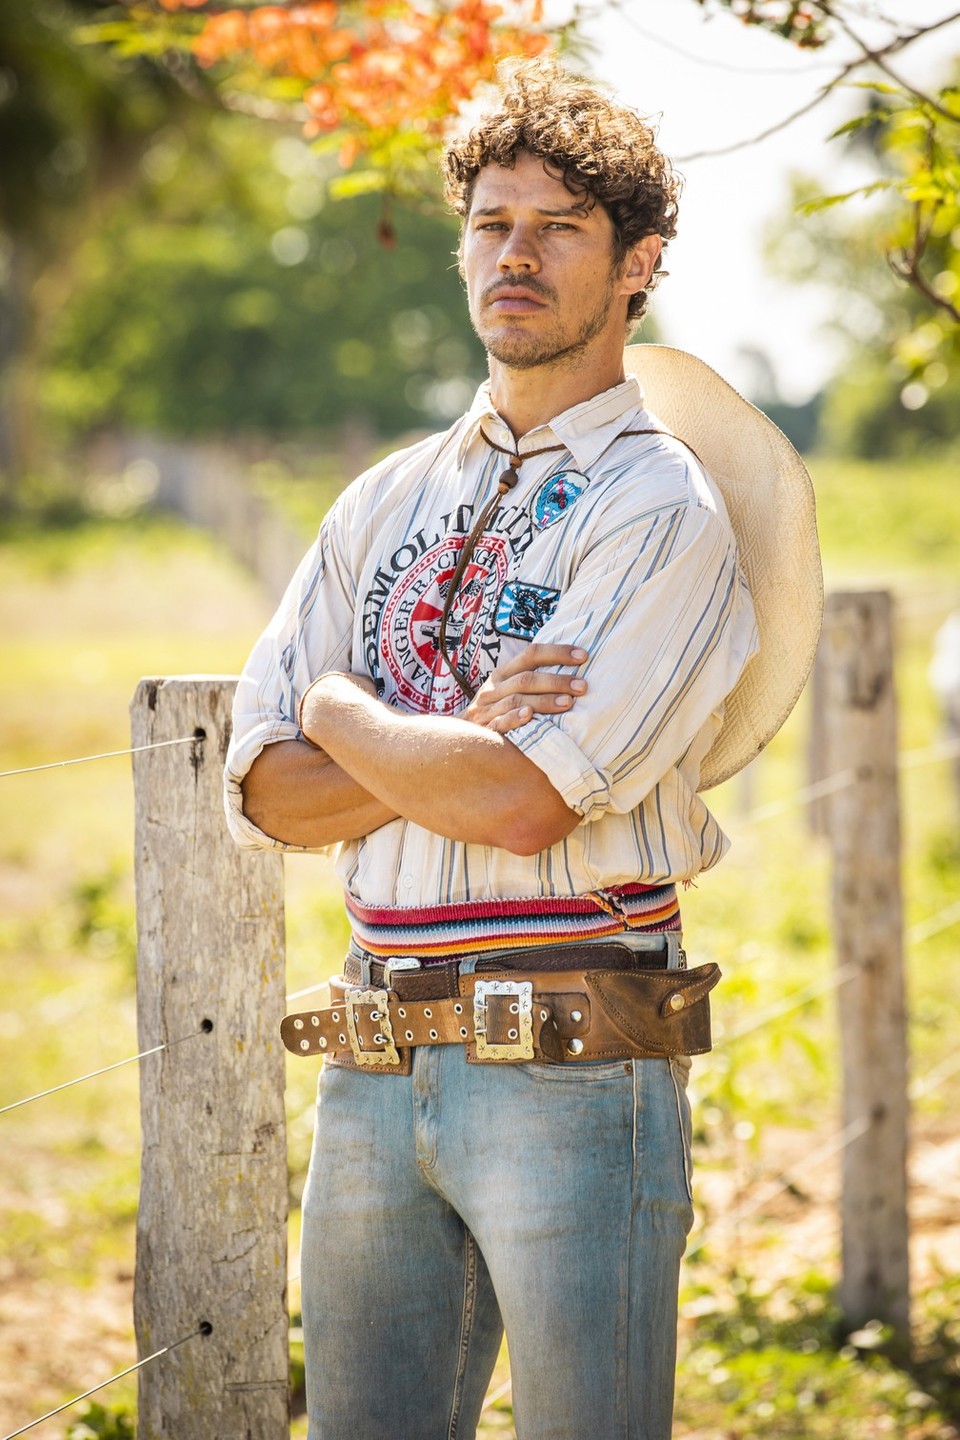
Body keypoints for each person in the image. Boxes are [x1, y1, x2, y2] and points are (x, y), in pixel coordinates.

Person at [224, 60, 821, 1440]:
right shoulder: (383, 499)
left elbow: (515, 800)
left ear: (637, 264)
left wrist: (344, 715)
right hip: (371, 1068)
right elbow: (261, 794)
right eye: (492, 224)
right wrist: (404, 739)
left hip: (573, 1066)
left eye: (560, 227)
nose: (517, 255)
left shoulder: (661, 510)